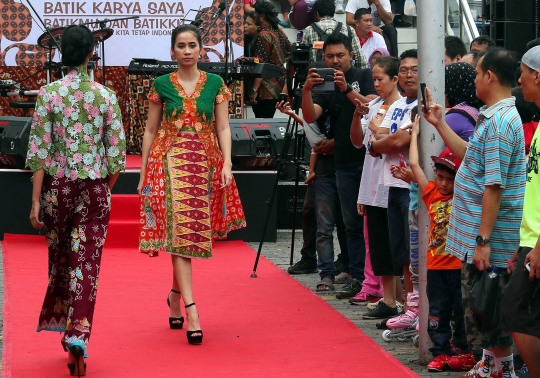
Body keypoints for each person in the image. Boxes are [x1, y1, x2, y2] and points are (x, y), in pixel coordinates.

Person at [26, 24, 126, 376]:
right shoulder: (106, 96)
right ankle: (80, 331)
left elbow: (38, 153)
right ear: (90, 55)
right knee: (88, 264)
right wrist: (104, 188)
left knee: (61, 260)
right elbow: (117, 157)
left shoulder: (48, 94)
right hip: (95, 187)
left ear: (61, 53)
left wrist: (36, 201)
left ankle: (67, 325)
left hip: (57, 188)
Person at [137, 25, 246, 346]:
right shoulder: (161, 84)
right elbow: (150, 130)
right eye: (181, 46)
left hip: (203, 165)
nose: (187, 50)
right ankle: (192, 309)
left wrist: (227, 163)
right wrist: (143, 173)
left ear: (201, 50)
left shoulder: (215, 84)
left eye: (192, 45)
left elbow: (224, 127)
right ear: (172, 51)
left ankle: (173, 295)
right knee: (180, 230)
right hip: (167, 164)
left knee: (187, 233)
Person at [423, 47, 526, 378]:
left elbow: (493, 186)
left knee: (488, 304)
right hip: (483, 236)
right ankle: (495, 365)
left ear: (490, 77)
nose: (475, 80)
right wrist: (439, 123)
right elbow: (471, 156)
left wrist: (483, 240)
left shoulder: (499, 121)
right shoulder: (494, 116)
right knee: (484, 304)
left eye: (478, 73)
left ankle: (501, 368)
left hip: (491, 239)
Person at [302, 32, 377, 296]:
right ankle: (357, 276)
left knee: (367, 222)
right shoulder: (323, 83)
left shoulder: (364, 75)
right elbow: (311, 116)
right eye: (330, 56)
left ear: (351, 55)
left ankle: (370, 276)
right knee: (350, 223)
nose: (335, 60)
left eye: (340, 55)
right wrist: (307, 90)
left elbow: (371, 106)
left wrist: (346, 88)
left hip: (369, 160)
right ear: (323, 57)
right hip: (343, 163)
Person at [407, 116, 471, 372]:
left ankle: (464, 350)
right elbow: (414, 163)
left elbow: (468, 161)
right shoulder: (432, 192)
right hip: (435, 267)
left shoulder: (465, 194)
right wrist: (414, 134)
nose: (444, 183)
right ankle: (441, 351)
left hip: (459, 265)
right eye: (440, 176)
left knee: (462, 310)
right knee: (437, 311)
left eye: (449, 178)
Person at [365, 49, 418, 319]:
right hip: (392, 185)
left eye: (415, 69)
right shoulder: (397, 106)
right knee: (402, 253)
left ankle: (417, 309)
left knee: (413, 250)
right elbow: (383, 135)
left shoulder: (419, 106)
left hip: (413, 185)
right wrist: (380, 142)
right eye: (406, 69)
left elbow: (397, 141)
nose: (410, 74)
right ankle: (409, 308)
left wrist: (379, 143)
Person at [500, 45, 540, 378]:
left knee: (515, 311)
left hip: (539, 242)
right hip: (531, 238)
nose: (520, 81)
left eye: (524, 74)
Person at [350, 56, 401, 305]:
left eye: (381, 79)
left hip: (394, 182)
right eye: (374, 80)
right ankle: (390, 298)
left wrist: (377, 138)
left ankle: (399, 299)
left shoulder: (403, 106)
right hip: (372, 182)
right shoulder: (373, 105)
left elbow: (382, 145)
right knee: (379, 243)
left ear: (395, 79)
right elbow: (358, 142)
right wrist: (356, 116)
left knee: (396, 244)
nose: (377, 84)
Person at [250, 1, 292, 118]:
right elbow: (289, 53)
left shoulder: (263, 35)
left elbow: (261, 65)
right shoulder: (279, 32)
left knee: (262, 125)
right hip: (279, 86)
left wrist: (254, 90)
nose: (255, 16)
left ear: (262, 16)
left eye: (256, 13)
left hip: (265, 90)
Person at [302, 0, 368, 69]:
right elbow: (360, 59)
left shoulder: (308, 30)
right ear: (333, 13)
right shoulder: (348, 29)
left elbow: (303, 58)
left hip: (318, 76)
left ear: (317, 13)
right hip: (344, 76)